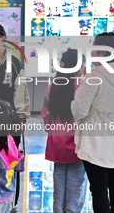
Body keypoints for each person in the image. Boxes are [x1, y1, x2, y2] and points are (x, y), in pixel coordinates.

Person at [71, 32, 114, 213]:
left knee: (99, 188)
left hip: (95, 140)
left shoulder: (94, 77)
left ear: (103, 53)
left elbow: (79, 110)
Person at [0, 23, 30, 210]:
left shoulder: (14, 62)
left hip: (10, 121)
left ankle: (11, 199)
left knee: (9, 159)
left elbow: (21, 91)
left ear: (3, 39)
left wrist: (23, 117)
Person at [41, 48, 86, 213]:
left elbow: (45, 111)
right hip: (77, 140)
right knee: (76, 177)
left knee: (59, 176)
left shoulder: (53, 85)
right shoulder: (82, 84)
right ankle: (72, 209)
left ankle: (58, 210)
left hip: (57, 139)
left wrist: (51, 128)